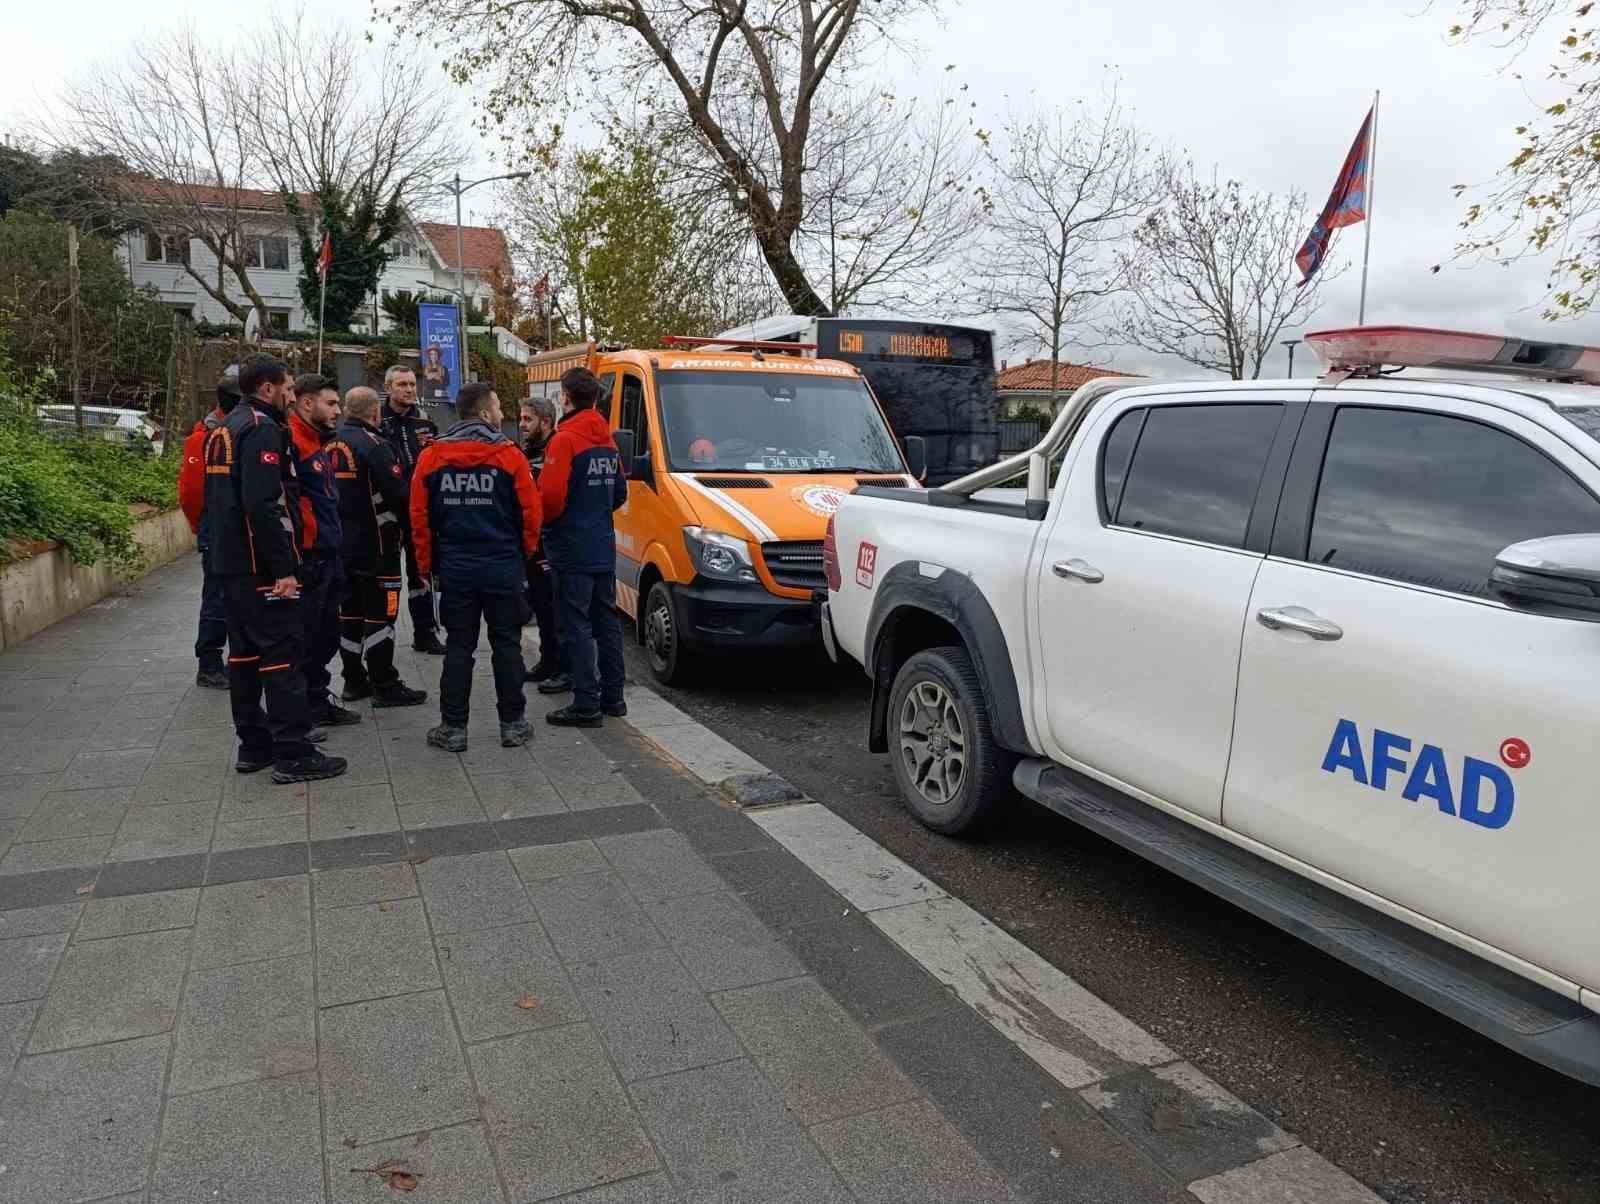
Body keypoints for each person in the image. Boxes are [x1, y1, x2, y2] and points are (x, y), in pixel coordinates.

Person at [202, 354, 347, 784]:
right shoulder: (263, 429)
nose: (290, 394)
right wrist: (285, 568)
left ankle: (255, 744)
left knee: (244, 656)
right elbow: (265, 504)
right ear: (268, 388)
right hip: (260, 568)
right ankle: (293, 751)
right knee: (282, 655)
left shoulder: (224, 428)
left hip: (228, 565)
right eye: (286, 387)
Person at [410, 381, 542, 751]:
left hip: (456, 568)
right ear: (485, 413)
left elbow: (419, 517)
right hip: (502, 566)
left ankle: (453, 728)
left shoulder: (432, 457)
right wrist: (524, 554)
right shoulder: (510, 456)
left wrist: (425, 565)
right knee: (507, 645)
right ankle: (513, 724)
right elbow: (531, 514)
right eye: (499, 407)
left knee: (458, 647)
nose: (503, 415)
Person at [326, 388, 429, 710]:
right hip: (377, 546)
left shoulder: (328, 443)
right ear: (375, 414)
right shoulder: (375, 445)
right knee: (381, 615)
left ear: (346, 410)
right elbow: (400, 497)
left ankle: (354, 680)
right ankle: (385, 683)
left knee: (349, 614)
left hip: (341, 546)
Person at [539, 366, 629, 727]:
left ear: (565, 397)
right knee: (606, 622)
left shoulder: (564, 439)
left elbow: (549, 499)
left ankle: (586, 704)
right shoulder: (607, 440)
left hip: (571, 547)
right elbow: (619, 493)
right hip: (602, 545)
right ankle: (614, 697)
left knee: (575, 624)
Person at [287, 375, 360, 729]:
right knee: (305, 639)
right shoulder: (292, 442)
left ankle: (317, 702)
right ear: (306, 403)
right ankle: (301, 714)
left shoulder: (316, 441)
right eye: (330, 404)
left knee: (325, 635)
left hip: (328, 556)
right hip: (309, 559)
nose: (338, 410)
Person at [177, 363, 240, 689]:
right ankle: (210, 663)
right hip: (215, 529)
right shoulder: (203, 438)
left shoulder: (232, 431)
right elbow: (190, 492)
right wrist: (203, 527)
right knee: (216, 596)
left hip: (228, 528)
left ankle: (229, 660)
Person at [378, 363, 446, 654]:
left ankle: (425, 631)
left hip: (420, 510)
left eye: (411, 384)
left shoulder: (425, 421)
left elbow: (438, 457)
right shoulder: (376, 419)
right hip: (387, 511)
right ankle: (382, 633)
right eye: (401, 384)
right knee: (387, 576)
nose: (408, 390)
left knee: (422, 572)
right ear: (388, 388)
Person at [518, 397, 569, 687]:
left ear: (546, 422)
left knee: (556, 609)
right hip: (533, 544)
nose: (522, 425)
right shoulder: (528, 452)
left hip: (553, 541)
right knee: (541, 606)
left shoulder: (555, 450)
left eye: (528, 420)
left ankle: (563, 667)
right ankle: (547, 661)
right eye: (522, 419)